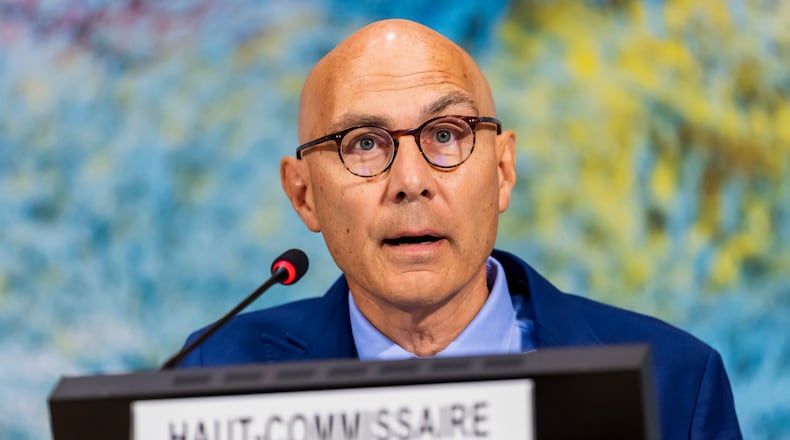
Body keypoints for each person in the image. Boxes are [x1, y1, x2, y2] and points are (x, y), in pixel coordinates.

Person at [178, 19, 741, 438]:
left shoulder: (674, 382)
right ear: (304, 194)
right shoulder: (216, 376)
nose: (411, 182)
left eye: (446, 134)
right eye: (364, 143)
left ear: (502, 170)